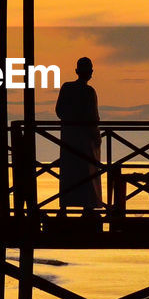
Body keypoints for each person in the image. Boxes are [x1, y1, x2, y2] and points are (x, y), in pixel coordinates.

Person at [54, 57, 101, 217]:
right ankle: (87, 207)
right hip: (85, 140)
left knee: (68, 173)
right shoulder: (89, 92)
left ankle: (64, 208)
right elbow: (94, 117)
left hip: (68, 138)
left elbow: (59, 111)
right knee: (87, 173)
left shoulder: (66, 88)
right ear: (90, 73)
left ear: (77, 71)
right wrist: (97, 137)